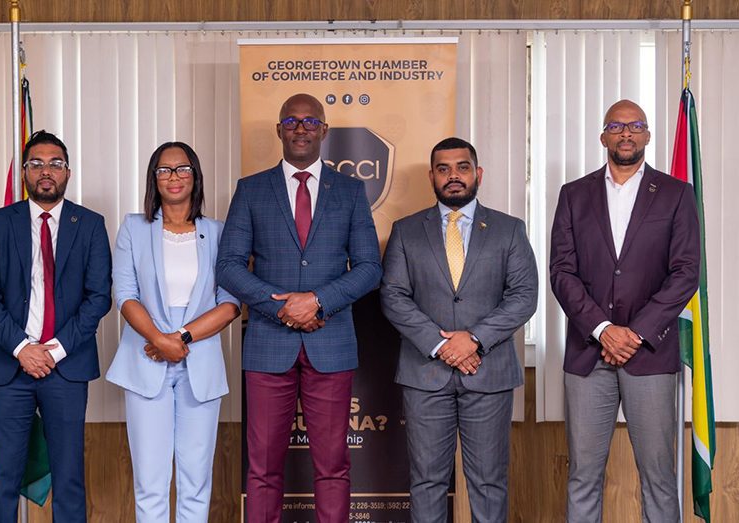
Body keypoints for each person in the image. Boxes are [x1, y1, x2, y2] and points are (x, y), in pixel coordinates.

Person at [216, 93, 382, 522]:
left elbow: (369, 268)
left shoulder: (350, 191)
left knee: (332, 467)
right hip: (268, 344)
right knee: (262, 469)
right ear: (279, 130)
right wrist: (283, 308)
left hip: (331, 342)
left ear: (324, 130)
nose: (301, 128)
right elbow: (228, 266)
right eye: (291, 121)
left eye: (310, 121)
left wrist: (317, 302)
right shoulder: (251, 190)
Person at [550, 99, 700, 522]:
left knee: (658, 476)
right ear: (603, 137)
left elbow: (686, 273)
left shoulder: (675, 194)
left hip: (649, 355)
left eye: (635, 125)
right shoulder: (574, 195)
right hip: (588, 355)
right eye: (616, 126)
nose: (626, 133)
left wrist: (634, 333)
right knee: (582, 475)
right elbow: (562, 272)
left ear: (647, 135)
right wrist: (602, 329)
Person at [380, 137, 538, 523]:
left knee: (488, 482)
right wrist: (441, 346)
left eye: (462, 167)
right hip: (425, 373)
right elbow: (393, 296)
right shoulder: (406, 231)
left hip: (488, 372)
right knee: (427, 481)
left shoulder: (509, 229)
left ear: (477, 173)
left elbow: (524, 296)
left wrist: (474, 340)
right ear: (432, 177)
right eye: (444, 169)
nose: (454, 176)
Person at [0, 130, 112, 522]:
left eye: (55, 163)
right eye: (36, 164)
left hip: (66, 367)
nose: (45, 171)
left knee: (69, 478)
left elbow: (99, 297)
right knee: (4, 477)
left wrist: (55, 350)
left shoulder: (90, 224)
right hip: (9, 366)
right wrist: (23, 348)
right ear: (25, 173)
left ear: (68, 172)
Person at [106, 142, 240, 522]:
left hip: (200, 360)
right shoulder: (134, 228)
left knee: (196, 481)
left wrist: (178, 339)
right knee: (150, 482)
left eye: (182, 169)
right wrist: (158, 340)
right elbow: (125, 294)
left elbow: (230, 303)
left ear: (195, 175)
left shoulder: (217, 232)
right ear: (154, 178)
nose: (174, 177)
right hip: (145, 360)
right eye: (164, 170)